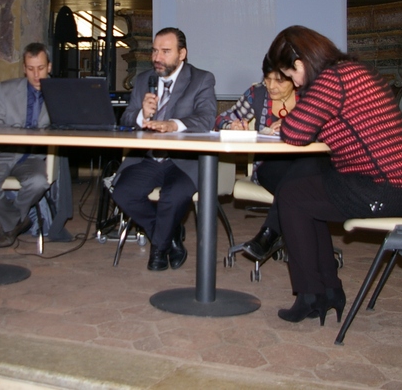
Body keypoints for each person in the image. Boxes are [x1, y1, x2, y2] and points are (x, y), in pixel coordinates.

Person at [265, 25, 402, 324]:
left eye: (290, 75)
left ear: (300, 63)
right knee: (302, 192)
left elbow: (296, 132)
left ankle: (312, 294)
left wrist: (293, 114)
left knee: (291, 195)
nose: (294, 83)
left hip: (386, 189)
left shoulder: (333, 79)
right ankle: (327, 290)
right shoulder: (352, 71)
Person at [112, 27, 217, 271]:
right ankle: (170, 235)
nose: (157, 57)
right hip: (148, 159)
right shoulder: (143, 80)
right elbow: (125, 120)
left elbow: (205, 118)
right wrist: (141, 115)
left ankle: (158, 250)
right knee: (123, 193)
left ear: (182, 54)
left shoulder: (201, 79)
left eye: (165, 51)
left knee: (174, 195)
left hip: (183, 160)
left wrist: (173, 124)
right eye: (155, 51)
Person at [214, 55, 300, 260]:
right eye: (268, 79)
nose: (271, 86)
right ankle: (309, 247)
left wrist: (293, 125)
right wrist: (231, 125)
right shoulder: (257, 94)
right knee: (299, 185)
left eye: (279, 81)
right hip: (269, 165)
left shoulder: (308, 95)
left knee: (301, 179)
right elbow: (221, 119)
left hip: (304, 163)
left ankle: (270, 233)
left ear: (294, 78)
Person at [0, 42, 53, 248]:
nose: (36, 75)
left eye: (40, 68)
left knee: (39, 182)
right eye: (30, 69)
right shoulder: (5, 90)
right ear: (23, 68)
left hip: (34, 156)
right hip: (4, 153)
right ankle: (14, 222)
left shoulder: (60, 93)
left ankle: (4, 224)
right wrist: (17, 131)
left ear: (49, 66)